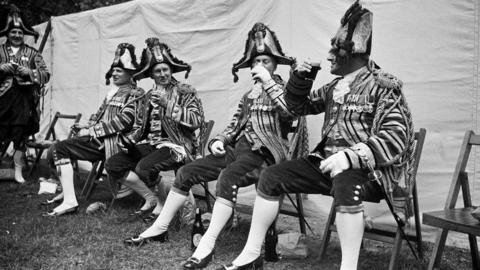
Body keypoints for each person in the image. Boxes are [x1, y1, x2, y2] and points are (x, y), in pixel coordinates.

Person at [223, 2, 415, 270]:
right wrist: (299, 82)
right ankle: (252, 252)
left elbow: (397, 135)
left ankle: (349, 266)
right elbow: (296, 108)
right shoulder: (335, 86)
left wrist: (352, 156)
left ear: (352, 52)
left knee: (347, 183)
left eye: (335, 50)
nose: (329, 56)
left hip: (367, 172)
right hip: (325, 164)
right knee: (271, 176)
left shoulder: (383, 85)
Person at [124, 22, 300, 269]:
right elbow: (234, 125)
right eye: (255, 62)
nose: (259, 66)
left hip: (264, 156)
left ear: (275, 65)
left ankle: (206, 244)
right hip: (236, 151)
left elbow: (291, 113)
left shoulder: (284, 89)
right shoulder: (248, 95)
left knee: (227, 177)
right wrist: (219, 140)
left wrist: (269, 83)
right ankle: (159, 228)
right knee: (186, 172)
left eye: (265, 61)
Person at [104, 37, 204, 217]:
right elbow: (140, 126)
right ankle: (156, 199)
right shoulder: (148, 95)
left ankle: (173, 208)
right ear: (151, 74)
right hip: (152, 144)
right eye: (157, 71)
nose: (163, 74)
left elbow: (197, 120)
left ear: (171, 70)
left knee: (144, 167)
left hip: (178, 146)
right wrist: (129, 140)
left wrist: (168, 104)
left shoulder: (185, 91)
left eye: (166, 69)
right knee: (113, 164)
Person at [43, 43, 145, 217]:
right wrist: (87, 126)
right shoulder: (114, 92)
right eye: (113, 70)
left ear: (130, 74)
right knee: (55, 149)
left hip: (116, 144)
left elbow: (124, 122)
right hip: (100, 140)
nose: (114, 73)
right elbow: (98, 115)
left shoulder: (135, 93)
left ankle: (69, 200)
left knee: (59, 149)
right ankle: (68, 194)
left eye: (119, 70)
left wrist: (92, 131)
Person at [0, 4, 50, 184]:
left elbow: (46, 75)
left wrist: (28, 72)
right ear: (8, 33)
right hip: (2, 101)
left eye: (20, 33)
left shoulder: (33, 54)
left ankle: (17, 171)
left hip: (24, 101)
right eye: (13, 32)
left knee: (20, 137)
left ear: (24, 35)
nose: (17, 35)